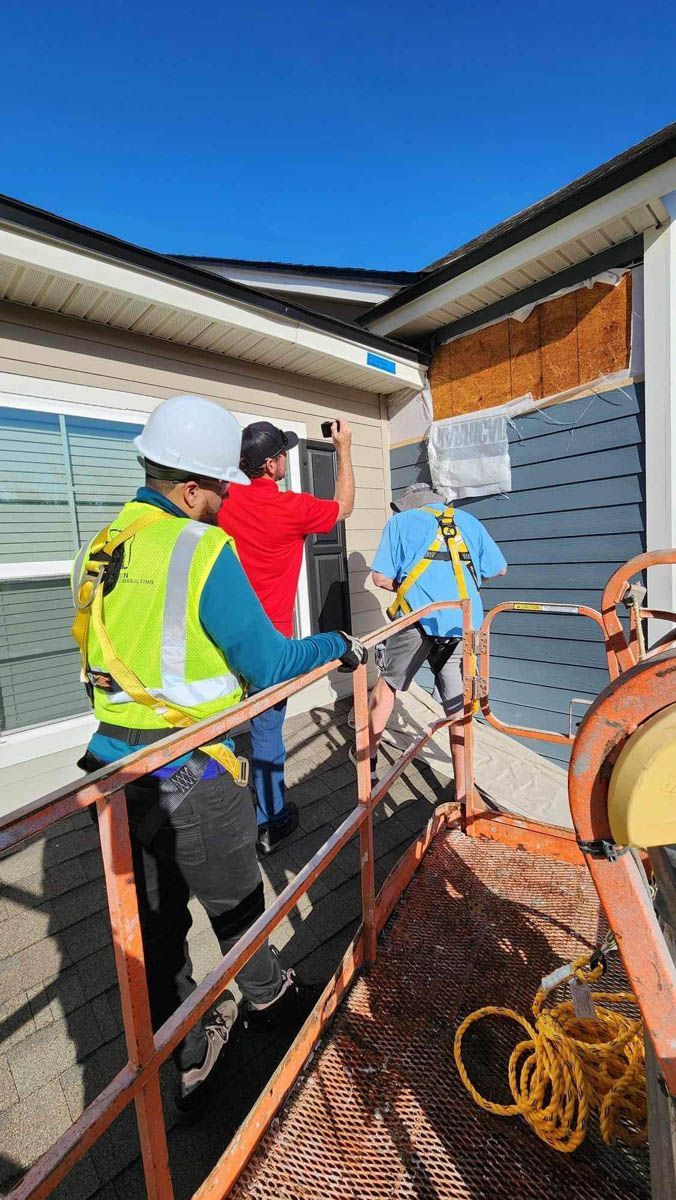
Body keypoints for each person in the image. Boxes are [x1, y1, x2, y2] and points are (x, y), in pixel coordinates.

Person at [71, 394, 365, 1120]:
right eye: (216, 489)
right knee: (237, 904)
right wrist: (338, 643)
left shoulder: (100, 545)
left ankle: (182, 1048)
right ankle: (268, 1002)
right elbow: (269, 663)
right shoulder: (199, 549)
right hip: (190, 771)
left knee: (157, 924)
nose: (224, 501)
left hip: (111, 769)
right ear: (190, 488)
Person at [219, 418, 355, 854]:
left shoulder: (222, 500)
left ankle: (216, 817)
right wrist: (343, 448)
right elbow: (344, 506)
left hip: (221, 639)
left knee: (216, 728)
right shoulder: (291, 508)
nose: (285, 460)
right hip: (269, 647)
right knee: (265, 733)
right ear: (272, 465)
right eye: (283, 455)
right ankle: (271, 821)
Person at [356, 482, 506, 789]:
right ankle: (463, 790)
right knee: (458, 706)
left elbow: (380, 578)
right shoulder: (468, 521)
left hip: (417, 620)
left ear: (409, 504)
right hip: (461, 623)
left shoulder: (400, 522)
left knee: (388, 686)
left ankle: (367, 766)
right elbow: (498, 569)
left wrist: (412, 586)